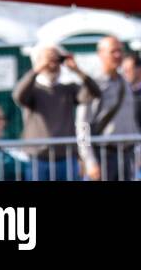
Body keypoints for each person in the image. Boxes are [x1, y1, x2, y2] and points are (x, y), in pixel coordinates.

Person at [12, 44, 99, 181]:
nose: (52, 64)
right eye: (48, 59)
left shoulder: (68, 89)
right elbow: (18, 95)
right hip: (37, 158)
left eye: (56, 59)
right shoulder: (34, 90)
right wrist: (37, 69)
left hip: (65, 157)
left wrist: (77, 70)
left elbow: (94, 93)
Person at [79, 36, 139, 180]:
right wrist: (89, 160)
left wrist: (138, 150)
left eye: (120, 51)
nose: (118, 55)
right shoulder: (93, 84)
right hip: (104, 155)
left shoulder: (125, 83)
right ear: (101, 54)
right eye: (113, 51)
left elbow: (131, 118)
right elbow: (82, 124)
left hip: (127, 154)